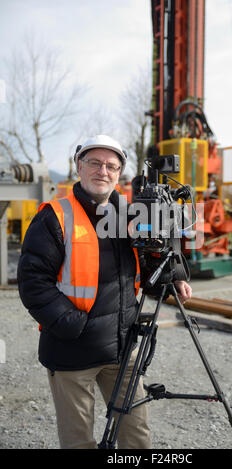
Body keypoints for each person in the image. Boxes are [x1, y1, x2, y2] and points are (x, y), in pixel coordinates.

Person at [17, 135, 192, 449]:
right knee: (78, 440)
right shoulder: (55, 216)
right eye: (95, 163)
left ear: (120, 173)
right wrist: (74, 326)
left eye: (112, 166)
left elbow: (148, 269)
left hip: (122, 349)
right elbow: (33, 282)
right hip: (72, 351)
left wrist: (173, 276)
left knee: (136, 436)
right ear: (79, 166)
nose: (103, 171)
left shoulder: (130, 214)